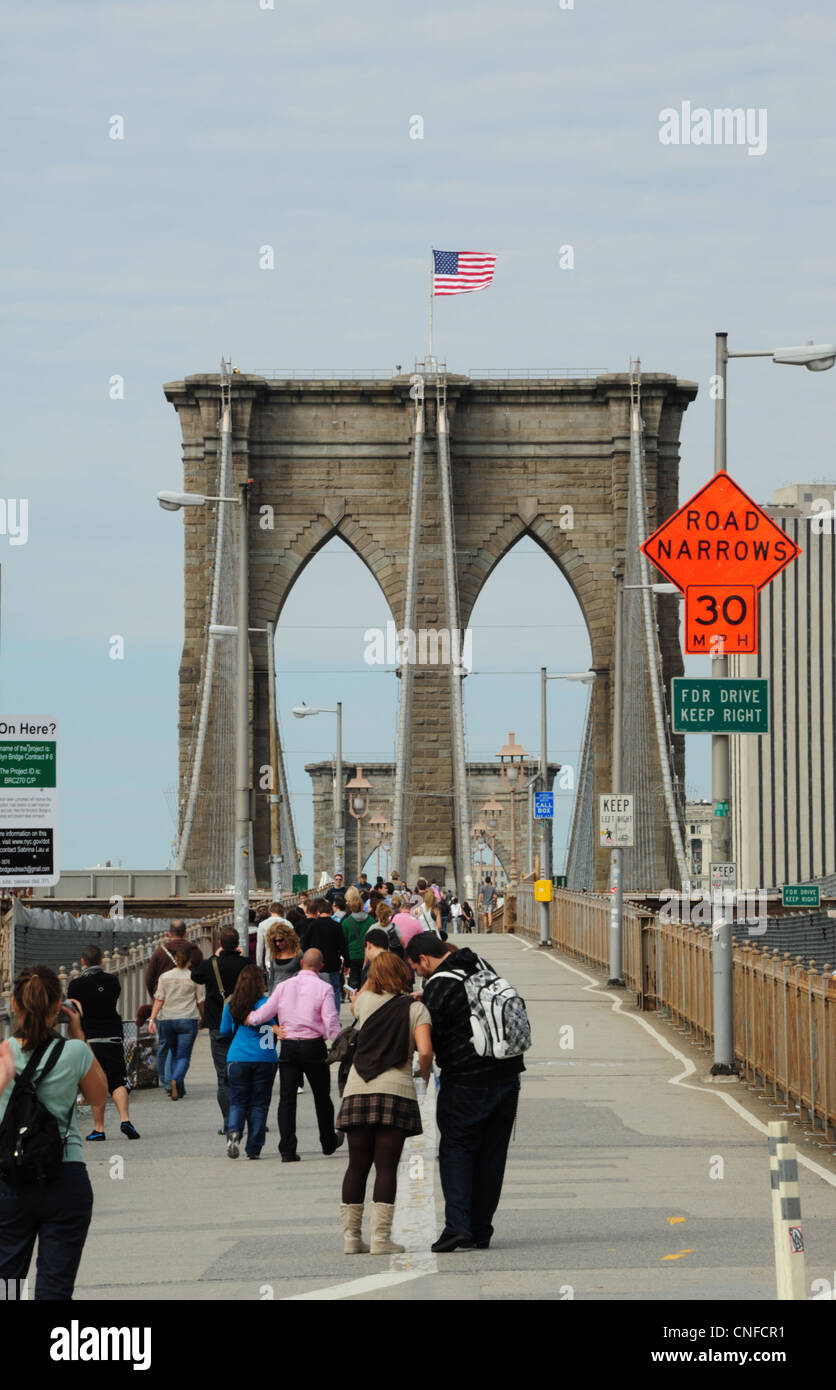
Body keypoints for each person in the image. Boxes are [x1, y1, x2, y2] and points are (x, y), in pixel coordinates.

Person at [406, 933, 524, 1252]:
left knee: (457, 1149)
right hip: (507, 1075)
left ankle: (457, 1227)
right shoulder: (481, 965)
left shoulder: (439, 984)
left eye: (418, 968)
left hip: (466, 1080)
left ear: (424, 960)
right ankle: (480, 1229)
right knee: (492, 1155)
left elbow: (430, 1034)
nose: (420, 974)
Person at [0, 964, 108, 1300]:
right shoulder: (74, 1051)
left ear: (14, 1006)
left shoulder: (2, 1054)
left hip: (8, 1178)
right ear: (58, 1007)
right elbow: (98, 1097)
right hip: (64, 1174)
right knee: (55, 1289)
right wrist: (77, 1032)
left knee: (7, 1284)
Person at [337, 953, 432, 1255]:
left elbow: (356, 1000)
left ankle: (352, 1238)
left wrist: (371, 976)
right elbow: (426, 1051)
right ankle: (380, 1239)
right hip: (395, 1089)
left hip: (357, 1087)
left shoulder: (364, 1003)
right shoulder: (416, 1008)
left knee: (356, 1165)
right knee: (386, 1167)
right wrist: (425, 1075)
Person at [246, 949, 343, 1162]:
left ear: (301, 964)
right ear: (321, 966)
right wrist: (338, 1043)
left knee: (287, 1099)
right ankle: (327, 1141)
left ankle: (287, 1149)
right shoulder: (324, 988)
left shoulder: (282, 987)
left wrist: (249, 1018)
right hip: (313, 1046)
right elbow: (330, 1020)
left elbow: (265, 1013)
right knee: (322, 1096)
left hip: (288, 1046)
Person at [67, 944, 139, 1141]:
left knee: (96, 1085)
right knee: (118, 1080)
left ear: (83, 962)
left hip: (90, 1040)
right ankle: (125, 1120)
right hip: (114, 1037)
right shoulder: (113, 981)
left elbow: (74, 1011)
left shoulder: (75, 985)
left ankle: (99, 1129)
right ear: (101, 961)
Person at [190, 927, 249, 1135]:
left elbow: (195, 975)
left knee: (224, 1076)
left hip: (218, 1025)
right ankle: (250, 1119)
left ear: (220, 944)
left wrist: (215, 957)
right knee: (246, 1073)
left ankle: (228, 1123)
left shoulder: (210, 965)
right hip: (244, 1025)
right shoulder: (246, 964)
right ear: (238, 943)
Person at [220, 965, 278, 1159]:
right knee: (259, 1104)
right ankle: (254, 1147)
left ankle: (234, 1133)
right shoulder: (267, 1003)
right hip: (265, 1058)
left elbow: (225, 1031)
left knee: (237, 1100)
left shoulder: (232, 1004)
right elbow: (275, 1028)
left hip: (237, 1057)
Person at [144, 921, 203, 1092]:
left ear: (169, 933)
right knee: (182, 1053)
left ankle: (166, 1080)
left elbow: (149, 978)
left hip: (166, 1012)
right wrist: (203, 1017)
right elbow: (201, 992)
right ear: (186, 933)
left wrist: (154, 1002)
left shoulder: (159, 953)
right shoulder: (196, 952)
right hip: (187, 1014)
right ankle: (175, 1081)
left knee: (166, 1046)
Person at [300, 897, 347, 1016]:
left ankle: (317, 1014)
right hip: (333, 963)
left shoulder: (313, 925)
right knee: (335, 990)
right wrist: (347, 963)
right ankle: (334, 1015)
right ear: (331, 912)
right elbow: (343, 946)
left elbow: (304, 943)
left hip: (316, 965)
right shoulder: (336, 926)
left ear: (319, 912)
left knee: (316, 991)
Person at [342, 886, 374, 991]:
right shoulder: (371, 920)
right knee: (367, 980)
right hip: (367, 955)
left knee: (354, 981)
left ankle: (355, 998)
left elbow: (344, 941)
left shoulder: (346, 922)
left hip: (352, 955)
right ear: (362, 905)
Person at [263, 921, 302, 991]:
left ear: (288, 938)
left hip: (292, 993)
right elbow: (272, 977)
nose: (277, 943)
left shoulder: (298, 954)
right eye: (275, 941)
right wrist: (270, 995)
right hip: (276, 993)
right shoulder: (273, 954)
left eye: (280, 940)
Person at [256, 902, 291, 970]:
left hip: (269, 960)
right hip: (286, 960)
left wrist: (260, 966)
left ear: (270, 911)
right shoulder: (288, 923)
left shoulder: (262, 925)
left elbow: (259, 948)